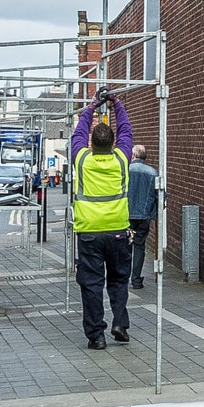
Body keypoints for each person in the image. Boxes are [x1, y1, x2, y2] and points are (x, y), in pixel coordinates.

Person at [70, 92, 135, 350]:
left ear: (91, 144)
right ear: (113, 144)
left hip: (89, 232)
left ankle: (97, 336)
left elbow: (78, 133)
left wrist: (91, 107)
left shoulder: (82, 159)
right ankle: (120, 323)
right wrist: (117, 104)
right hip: (118, 230)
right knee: (119, 280)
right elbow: (127, 131)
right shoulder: (122, 159)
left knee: (92, 285)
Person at [127, 144, 159, 291]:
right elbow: (160, 196)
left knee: (125, 245)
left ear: (133, 155)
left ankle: (123, 277)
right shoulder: (152, 172)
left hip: (125, 215)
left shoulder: (125, 171)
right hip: (144, 216)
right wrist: (153, 213)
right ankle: (136, 280)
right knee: (139, 246)